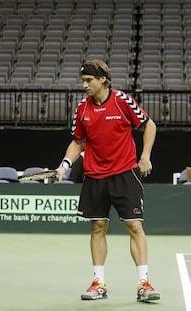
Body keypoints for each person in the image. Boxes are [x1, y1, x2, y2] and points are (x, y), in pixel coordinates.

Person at [54, 59, 160, 303]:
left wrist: (144, 156)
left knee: (134, 226)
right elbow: (77, 141)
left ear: (103, 80)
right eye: (83, 81)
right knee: (97, 226)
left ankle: (144, 283)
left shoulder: (122, 101)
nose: (85, 85)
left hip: (124, 173)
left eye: (89, 80)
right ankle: (98, 283)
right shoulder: (82, 109)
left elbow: (149, 125)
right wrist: (65, 165)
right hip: (95, 176)